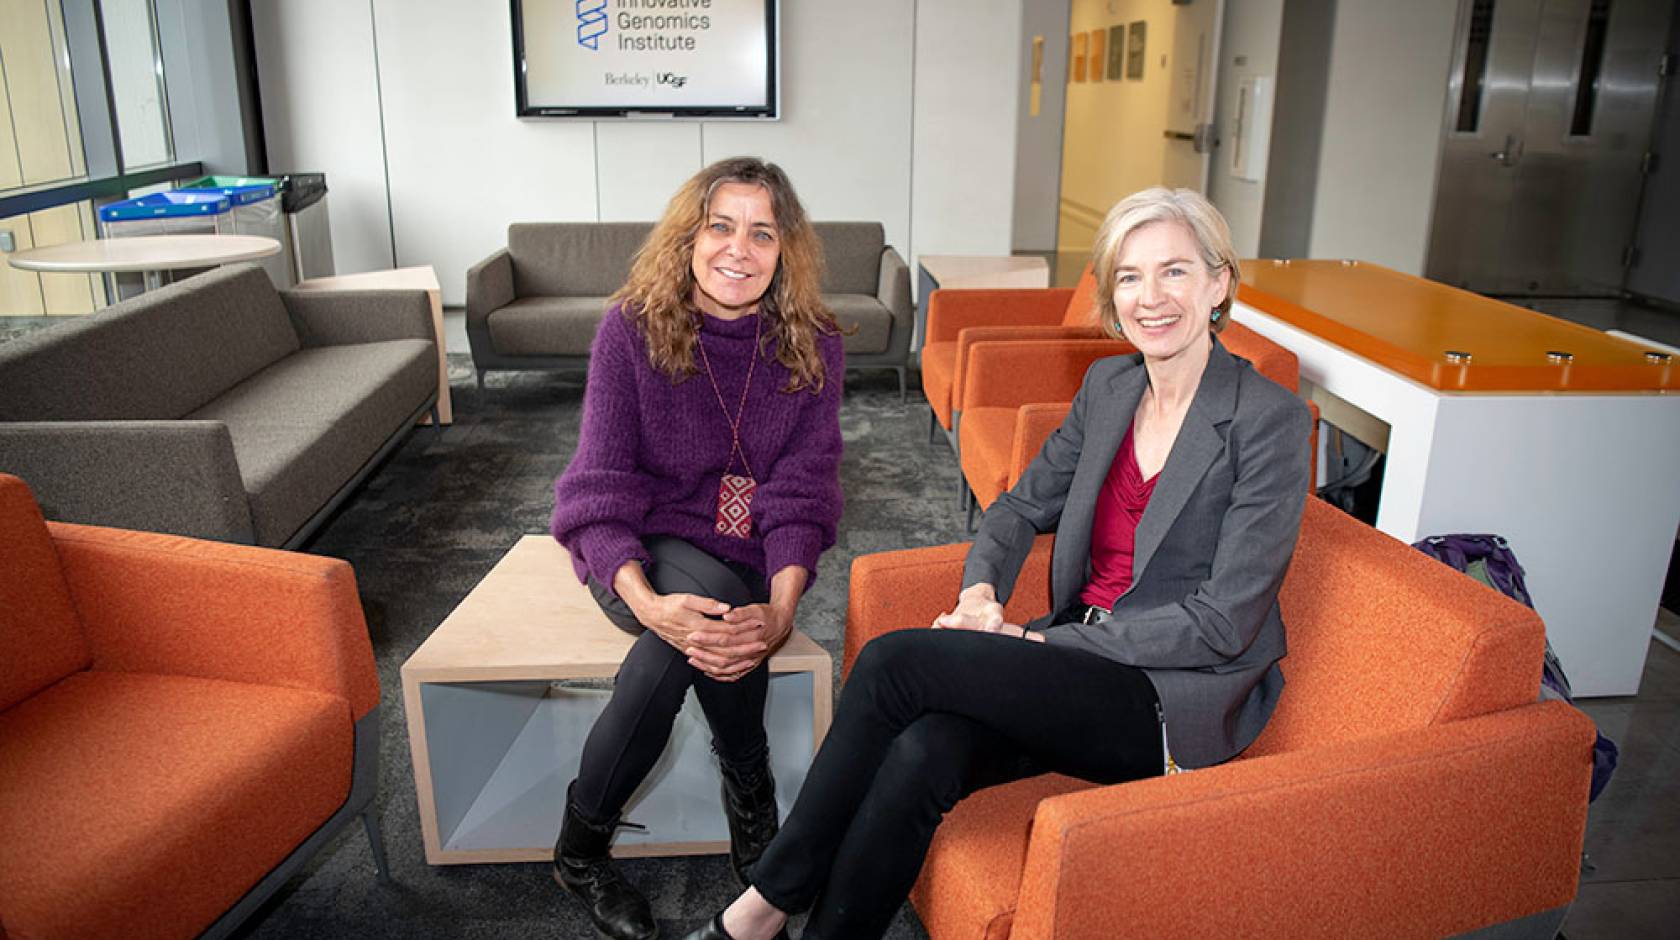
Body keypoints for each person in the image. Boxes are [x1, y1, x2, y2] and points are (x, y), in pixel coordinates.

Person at [682, 187, 1313, 940]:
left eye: (1175, 272)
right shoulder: (1109, 388)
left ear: (1218, 284)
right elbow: (1016, 509)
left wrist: (1040, 643)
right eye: (1130, 277)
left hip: (1170, 697)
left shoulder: (1267, 420)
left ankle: (758, 911)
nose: (1152, 298)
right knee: (924, 750)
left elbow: (1223, 624)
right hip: (1078, 655)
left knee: (895, 664)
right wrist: (982, 593)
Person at [550, 156, 844, 940]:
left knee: (711, 620)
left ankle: (578, 849)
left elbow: (804, 491)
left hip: (741, 556)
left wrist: (782, 611)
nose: (737, 250)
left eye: (761, 232)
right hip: (635, 546)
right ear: (689, 236)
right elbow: (600, 483)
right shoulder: (631, 328)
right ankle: (751, 787)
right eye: (720, 226)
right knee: (689, 628)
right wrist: (645, 601)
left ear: (786, 251)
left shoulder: (812, 345)